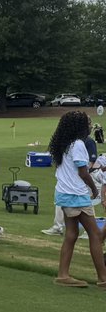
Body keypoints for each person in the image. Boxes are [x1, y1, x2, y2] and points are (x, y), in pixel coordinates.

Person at [48, 111, 106, 288]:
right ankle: (103, 278)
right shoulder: (79, 144)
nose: (90, 126)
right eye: (88, 123)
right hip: (77, 195)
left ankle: (63, 275)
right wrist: (95, 190)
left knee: (71, 234)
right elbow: (83, 172)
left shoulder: (62, 143)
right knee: (95, 234)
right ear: (79, 126)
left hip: (63, 194)